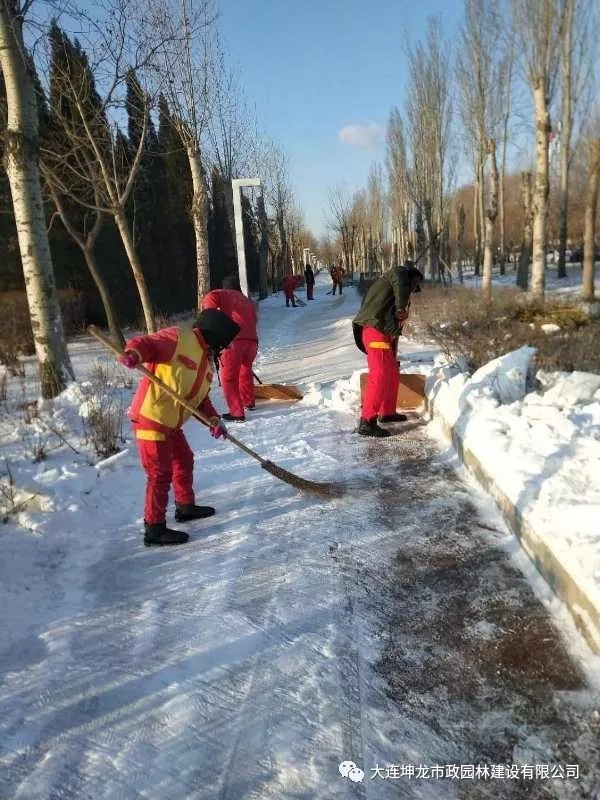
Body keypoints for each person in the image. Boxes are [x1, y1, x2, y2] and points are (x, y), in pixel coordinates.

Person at [119, 308, 240, 546]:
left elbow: (201, 400)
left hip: (171, 423)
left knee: (184, 459)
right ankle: (154, 529)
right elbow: (147, 344)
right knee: (159, 473)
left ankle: (185, 506)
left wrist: (213, 421)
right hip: (152, 416)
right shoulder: (179, 338)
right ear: (216, 335)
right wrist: (134, 354)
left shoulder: (206, 363)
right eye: (225, 343)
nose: (226, 348)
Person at [352, 261, 424, 437]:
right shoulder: (398, 273)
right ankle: (367, 421)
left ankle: (387, 412)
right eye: (413, 285)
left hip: (381, 333)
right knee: (380, 375)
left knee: (391, 372)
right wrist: (400, 308)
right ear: (411, 277)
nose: (412, 290)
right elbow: (400, 279)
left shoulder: (387, 287)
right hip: (375, 332)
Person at [202, 274, 259, 422]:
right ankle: (248, 401)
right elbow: (254, 320)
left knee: (228, 377)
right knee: (245, 371)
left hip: (234, 341)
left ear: (225, 287)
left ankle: (236, 412)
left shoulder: (222, 293)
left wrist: (211, 323)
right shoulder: (247, 301)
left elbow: (210, 299)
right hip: (252, 341)